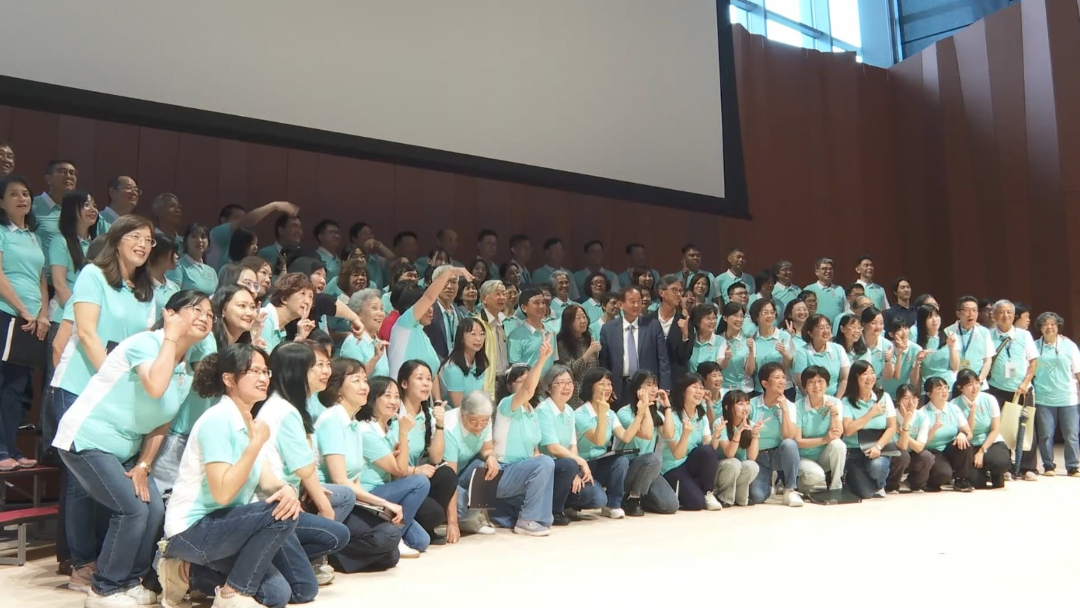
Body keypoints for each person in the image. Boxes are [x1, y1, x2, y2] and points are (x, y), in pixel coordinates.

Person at [53, 291, 210, 607]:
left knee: (153, 510)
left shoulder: (186, 369)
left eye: (210, 314)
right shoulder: (147, 343)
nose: (205, 317)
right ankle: (105, 588)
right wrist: (170, 337)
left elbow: (162, 423)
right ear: (170, 314)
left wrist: (144, 465)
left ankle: (131, 582)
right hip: (87, 439)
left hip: (125, 451)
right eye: (196, 309)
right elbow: (155, 386)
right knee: (132, 509)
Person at [158, 343, 303, 608]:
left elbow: (266, 480)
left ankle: (186, 573)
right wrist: (255, 445)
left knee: (277, 594)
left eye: (266, 371)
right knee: (278, 514)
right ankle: (231, 594)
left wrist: (288, 490)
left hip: (228, 526)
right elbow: (222, 493)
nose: (263, 378)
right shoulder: (218, 419)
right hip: (192, 528)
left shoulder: (249, 422)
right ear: (229, 379)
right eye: (254, 371)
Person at [313, 358, 404, 571]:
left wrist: (377, 508)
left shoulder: (353, 424)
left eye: (365, 380)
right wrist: (385, 503)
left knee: (391, 553)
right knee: (388, 536)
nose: (364, 386)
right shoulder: (332, 419)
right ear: (338, 388)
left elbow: (355, 480)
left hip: (349, 499)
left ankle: (339, 554)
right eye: (356, 381)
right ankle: (323, 552)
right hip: (327, 502)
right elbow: (340, 480)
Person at [0, 175, 49, 471]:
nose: (22, 199)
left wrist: (42, 314)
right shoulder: (2, 232)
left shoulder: (33, 236)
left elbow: (41, 279)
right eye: (14, 194)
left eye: (26, 194)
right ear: (1, 202)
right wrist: (21, 310)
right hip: (7, 313)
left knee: (17, 388)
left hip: (32, 320)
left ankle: (12, 449)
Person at [356, 377, 433, 557]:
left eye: (397, 396)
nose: (393, 401)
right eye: (387, 396)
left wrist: (401, 441)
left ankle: (391, 533)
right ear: (373, 399)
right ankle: (394, 537)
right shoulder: (366, 431)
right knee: (420, 482)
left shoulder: (388, 431)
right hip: (367, 494)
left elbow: (399, 474)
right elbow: (400, 470)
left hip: (386, 490)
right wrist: (404, 433)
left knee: (421, 541)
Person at [491, 337, 557, 535]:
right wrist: (542, 359)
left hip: (522, 473)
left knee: (547, 462)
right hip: (502, 472)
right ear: (510, 386)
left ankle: (534, 517)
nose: (526, 384)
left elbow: (534, 447)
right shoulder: (507, 405)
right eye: (520, 381)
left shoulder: (532, 412)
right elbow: (528, 390)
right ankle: (526, 520)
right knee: (545, 463)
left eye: (529, 379)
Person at [575, 367, 655, 519]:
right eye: (602, 384)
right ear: (590, 386)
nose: (607, 388)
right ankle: (572, 504)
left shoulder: (610, 414)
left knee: (621, 460)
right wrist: (601, 414)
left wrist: (640, 413)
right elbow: (598, 440)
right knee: (598, 498)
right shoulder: (580, 414)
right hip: (583, 465)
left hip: (601, 462)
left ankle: (613, 504)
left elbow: (626, 437)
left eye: (609, 384)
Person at [388, 265, 473, 391]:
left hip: (422, 396)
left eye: (432, 306)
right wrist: (450, 271)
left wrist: (437, 399)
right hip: (400, 395)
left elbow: (433, 373)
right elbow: (429, 297)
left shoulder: (422, 334)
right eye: (427, 307)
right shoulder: (404, 325)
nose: (431, 310)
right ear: (411, 307)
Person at [986, 299, 1040, 480]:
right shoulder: (988, 335)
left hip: (1022, 389)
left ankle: (1027, 467)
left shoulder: (1024, 335)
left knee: (1026, 427)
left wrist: (1025, 383)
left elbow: (1033, 362)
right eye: (1001, 312)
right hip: (997, 389)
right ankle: (1006, 467)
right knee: (1002, 429)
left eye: (1009, 312)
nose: (1005, 315)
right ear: (994, 315)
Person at [534, 365, 594, 523]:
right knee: (569, 464)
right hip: (547, 467)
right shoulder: (543, 410)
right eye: (560, 383)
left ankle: (565, 503)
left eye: (569, 382)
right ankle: (554, 511)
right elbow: (553, 448)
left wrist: (575, 472)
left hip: (566, 467)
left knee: (594, 496)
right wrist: (579, 463)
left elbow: (572, 445)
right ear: (548, 388)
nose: (566, 387)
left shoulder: (569, 410)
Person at [440, 390, 499, 540]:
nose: (479, 426)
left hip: (463, 469)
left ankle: (471, 520)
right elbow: (449, 478)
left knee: (485, 468)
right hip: (443, 477)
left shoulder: (485, 419)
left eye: (484, 422)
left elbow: (487, 448)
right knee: (461, 506)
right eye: (473, 422)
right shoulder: (450, 428)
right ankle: (459, 519)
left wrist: (491, 457)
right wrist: (452, 523)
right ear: (462, 413)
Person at [661, 373, 721, 511]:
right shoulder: (672, 416)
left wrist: (716, 435)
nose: (699, 391)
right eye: (694, 387)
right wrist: (685, 434)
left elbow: (709, 449)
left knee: (707, 451)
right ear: (683, 391)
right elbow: (677, 454)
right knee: (696, 504)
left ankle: (708, 492)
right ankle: (689, 491)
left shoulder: (701, 416)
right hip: (672, 467)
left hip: (689, 463)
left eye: (701, 388)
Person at [599, 285, 671, 400]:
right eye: (632, 301)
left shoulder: (653, 325)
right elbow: (604, 363)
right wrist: (606, 388)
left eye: (639, 301)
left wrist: (665, 387)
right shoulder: (608, 329)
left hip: (647, 387)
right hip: (619, 387)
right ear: (621, 304)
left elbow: (663, 359)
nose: (636, 305)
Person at [747, 363, 802, 506]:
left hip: (778, 453)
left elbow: (789, 435)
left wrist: (784, 410)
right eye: (777, 378)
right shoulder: (751, 405)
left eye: (783, 377)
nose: (782, 381)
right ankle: (771, 481)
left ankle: (790, 489)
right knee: (757, 497)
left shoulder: (789, 405)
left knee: (790, 444)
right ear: (765, 383)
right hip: (757, 455)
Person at [1032, 312, 1080, 477]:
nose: (1049, 327)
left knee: (1071, 435)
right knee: (1045, 435)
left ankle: (1072, 466)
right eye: (1045, 324)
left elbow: (1078, 370)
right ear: (1040, 328)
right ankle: (1048, 465)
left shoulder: (1069, 345)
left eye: (1053, 324)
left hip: (1069, 397)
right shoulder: (1034, 346)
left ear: (1058, 326)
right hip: (1043, 397)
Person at [840, 360, 897, 499]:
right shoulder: (846, 401)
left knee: (877, 467)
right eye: (865, 374)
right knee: (865, 494)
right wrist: (871, 413)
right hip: (854, 450)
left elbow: (892, 427)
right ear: (855, 377)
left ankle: (880, 484)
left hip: (878, 447)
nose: (870, 377)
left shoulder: (884, 397)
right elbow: (848, 430)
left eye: (872, 373)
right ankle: (861, 482)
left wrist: (878, 447)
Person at [789, 366, 846, 494]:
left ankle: (836, 486)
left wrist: (834, 413)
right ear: (805, 386)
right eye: (811, 382)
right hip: (804, 456)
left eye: (820, 381)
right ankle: (800, 486)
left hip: (824, 455)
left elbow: (837, 433)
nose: (816, 386)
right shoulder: (797, 407)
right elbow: (798, 441)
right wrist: (824, 439)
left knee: (839, 445)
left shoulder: (835, 402)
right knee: (816, 475)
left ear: (827, 384)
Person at [951, 369, 1010, 488]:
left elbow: (995, 429)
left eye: (977, 383)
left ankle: (996, 473)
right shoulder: (953, 404)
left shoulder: (989, 399)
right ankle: (981, 474)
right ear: (960, 387)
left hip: (990, 441)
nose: (975, 388)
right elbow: (968, 432)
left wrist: (982, 451)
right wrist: (971, 412)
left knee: (1000, 462)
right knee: (976, 483)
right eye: (969, 385)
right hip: (970, 445)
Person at [918, 377, 975, 492]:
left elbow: (969, 432)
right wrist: (934, 429)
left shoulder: (954, 408)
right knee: (943, 474)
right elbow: (921, 444)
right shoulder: (923, 413)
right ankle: (929, 480)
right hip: (933, 450)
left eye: (945, 387)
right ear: (929, 394)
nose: (944, 391)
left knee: (966, 444)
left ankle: (961, 480)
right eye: (939, 388)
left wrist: (962, 434)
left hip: (950, 448)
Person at [711, 390, 761, 507]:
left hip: (738, 468)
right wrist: (738, 432)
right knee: (733, 463)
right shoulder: (720, 423)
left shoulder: (750, 424)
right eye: (740, 404)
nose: (745, 408)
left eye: (747, 404)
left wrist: (754, 435)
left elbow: (752, 457)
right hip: (720, 469)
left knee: (752, 465)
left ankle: (741, 498)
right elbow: (729, 454)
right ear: (727, 407)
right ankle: (724, 497)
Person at [792, 314, 850, 398]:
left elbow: (844, 379)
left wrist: (837, 401)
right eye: (821, 328)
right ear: (810, 333)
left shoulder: (838, 349)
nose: (826, 331)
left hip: (833, 399)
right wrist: (816, 402)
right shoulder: (802, 352)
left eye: (827, 327)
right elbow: (800, 382)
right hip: (808, 399)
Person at [32, 159, 79, 260]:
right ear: (48, 179)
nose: (68, 176)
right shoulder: (32, 206)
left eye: (72, 173)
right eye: (62, 171)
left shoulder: (79, 210)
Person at [555, 304, 601, 407]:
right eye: (578, 318)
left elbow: (595, 367)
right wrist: (589, 352)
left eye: (584, 317)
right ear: (569, 322)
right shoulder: (562, 344)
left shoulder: (588, 339)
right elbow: (570, 370)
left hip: (591, 391)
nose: (583, 321)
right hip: (575, 394)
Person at [439, 317, 490, 407]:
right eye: (473, 334)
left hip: (475, 411)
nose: (478, 338)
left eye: (482, 334)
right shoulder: (452, 368)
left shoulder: (479, 363)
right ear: (461, 338)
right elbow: (459, 406)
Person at [892, 383, 933, 492]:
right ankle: (891, 485)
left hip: (913, 453)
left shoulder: (922, 417)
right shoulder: (892, 416)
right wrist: (905, 423)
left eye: (914, 398)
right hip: (894, 455)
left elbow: (919, 447)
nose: (911, 403)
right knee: (902, 455)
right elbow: (902, 446)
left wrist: (901, 431)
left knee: (927, 456)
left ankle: (915, 484)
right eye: (906, 398)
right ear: (898, 401)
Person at [259, 272, 315, 352]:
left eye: (310, 297)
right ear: (284, 298)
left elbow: (281, 358)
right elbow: (266, 358)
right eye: (302, 293)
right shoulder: (265, 318)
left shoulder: (281, 329)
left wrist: (299, 338)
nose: (307, 302)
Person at [749, 299, 794, 398]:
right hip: (760, 389)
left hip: (784, 389)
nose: (770, 316)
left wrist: (784, 353)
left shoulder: (784, 336)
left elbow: (791, 365)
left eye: (772, 312)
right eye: (765, 312)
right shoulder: (753, 338)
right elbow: (751, 370)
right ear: (756, 316)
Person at [649, 275, 692, 379]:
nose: (678, 294)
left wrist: (685, 335)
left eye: (680, 291)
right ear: (661, 293)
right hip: (651, 376)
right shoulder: (648, 321)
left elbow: (684, 358)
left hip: (676, 378)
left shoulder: (686, 322)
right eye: (674, 290)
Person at [508, 287, 557, 375]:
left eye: (543, 303)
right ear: (524, 308)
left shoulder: (550, 332)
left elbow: (554, 361)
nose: (541, 306)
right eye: (536, 303)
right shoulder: (515, 336)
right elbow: (515, 369)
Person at [421, 265, 463, 362]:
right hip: (433, 366)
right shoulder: (426, 311)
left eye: (453, 282)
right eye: (445, 281)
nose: (449, 286)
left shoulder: (459, 313)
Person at [949, 296, 995, 383]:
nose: (971, 313)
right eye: (967, 310)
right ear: (958, 314)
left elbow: (988, 361)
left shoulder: (984, 332)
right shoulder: (949, 332)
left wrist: (979, 381)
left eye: (974, 310)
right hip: (956, 382)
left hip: (979, 382)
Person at [914, 303, 959, 388]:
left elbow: (955, 367)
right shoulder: (917, 343)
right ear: (922, 321)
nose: (935, 320)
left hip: (948, 386)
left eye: (936, 315)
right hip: (929, 387)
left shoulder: (949, 336)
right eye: (930, 317)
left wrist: (952, 347)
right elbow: (916, 377)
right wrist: (918, 361)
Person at [717, 302, 755, 392]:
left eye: (741, 316)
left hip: (744, 390)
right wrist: (726, 359)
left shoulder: (748, 341)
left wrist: (751, 350)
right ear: (725, 318)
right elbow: (718, 367)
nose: (739, 319)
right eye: (735, 315)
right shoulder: (718, 340)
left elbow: (749, 372)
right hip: (722, 389)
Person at [176, 223, 218, 295]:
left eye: (203, 237)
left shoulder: (212, 271)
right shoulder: (178, 267)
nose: (199, 240)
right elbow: (174, 296)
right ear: (186, 241)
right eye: (194, 236)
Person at [804, 257, 846, 323]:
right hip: (815, 326)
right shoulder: (809, 289)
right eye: (824, 269)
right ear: (817, 272)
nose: (828, 271)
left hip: (836, 328)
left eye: (830, 269)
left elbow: (845, 309)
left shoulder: (839, 289)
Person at [146, 239, 180, 319]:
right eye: (173, 253)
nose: (177, 256)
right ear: (161, 256)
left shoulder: (174, 287)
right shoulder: (142, 286)